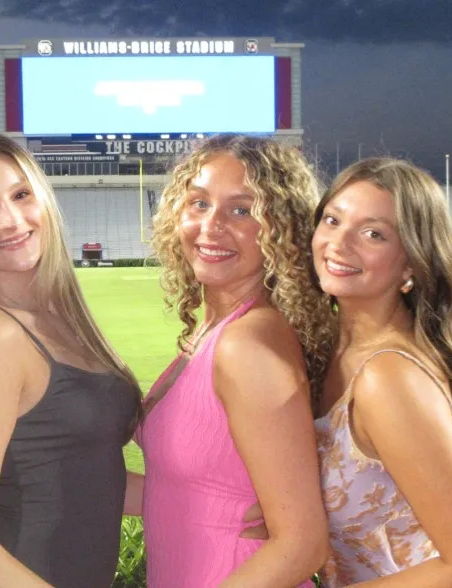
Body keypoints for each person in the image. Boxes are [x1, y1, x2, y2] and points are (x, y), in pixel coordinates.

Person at [0, 132, 141, 587]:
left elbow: (88, 481)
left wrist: (226, 505)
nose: (11, 220)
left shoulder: (57, 318)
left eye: (21, 195)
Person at [139, 134, 333, 587]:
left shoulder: (247, 343)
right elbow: (184, 493)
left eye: (242, 210)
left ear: (281, 229)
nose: (212, 225)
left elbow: (303, 543)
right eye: (199, 203)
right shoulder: (215, 331)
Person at [310, 157, 452, 587]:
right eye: (332, 220)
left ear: (411, 266)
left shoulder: (388, 377)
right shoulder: (333, 350)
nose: (338, 243)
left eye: (373, 234)